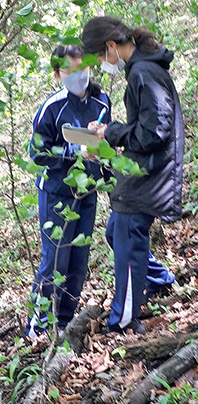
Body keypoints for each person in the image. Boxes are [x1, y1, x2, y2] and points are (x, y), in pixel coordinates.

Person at [83, 16, 182, 334]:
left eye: (100, 57)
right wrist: (108, 134)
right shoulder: (140, 69)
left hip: (151, 171)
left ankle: (123, 320)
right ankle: (159, 281)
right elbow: (146, 128)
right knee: (116, 231)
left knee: (126, 235)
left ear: (111, 46)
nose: (102, 64)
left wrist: (111, 133)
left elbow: (154, 132)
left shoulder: (142, 72)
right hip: (144, 168)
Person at [26, 44, 112, 339]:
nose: (79, 76)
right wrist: (73, 150)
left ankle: (64, 322)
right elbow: (36, 153)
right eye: (70, 71)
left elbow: (107, 144)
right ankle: (39, 327)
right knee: (55, 261)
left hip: (88, 192)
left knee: (78, 261)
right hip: (57, 194)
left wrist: (102, 150)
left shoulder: (102, 102)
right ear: (57, 74)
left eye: (83, 68)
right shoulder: (52, 108)